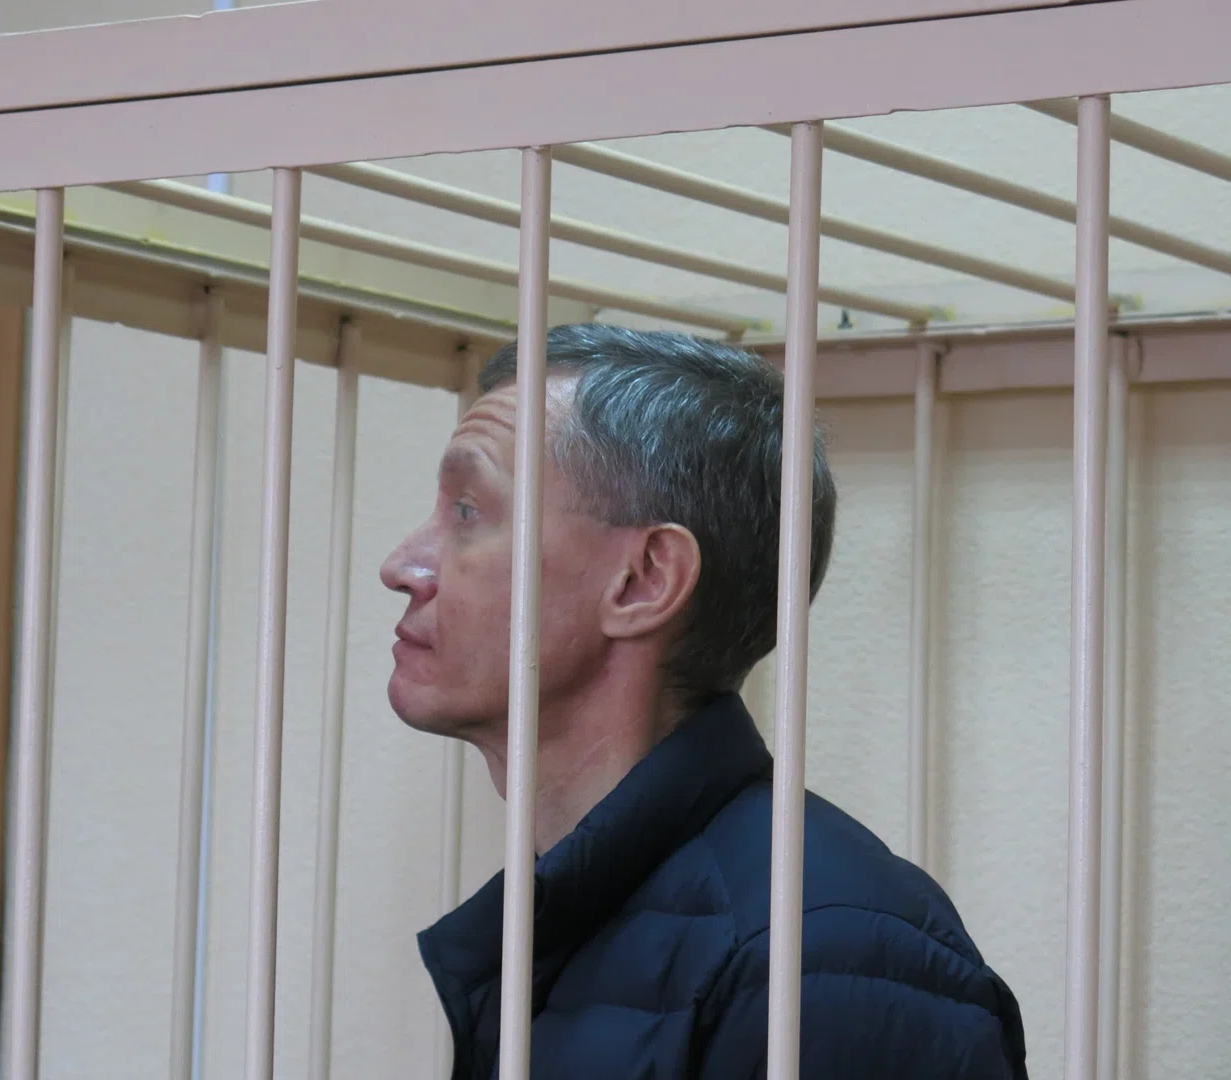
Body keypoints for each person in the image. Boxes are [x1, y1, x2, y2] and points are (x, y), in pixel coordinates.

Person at [379, 323, 1028, 1079]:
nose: (403, 566)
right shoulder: (572, 915)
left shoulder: (823, 960)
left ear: (644, 580)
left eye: (467, 511)